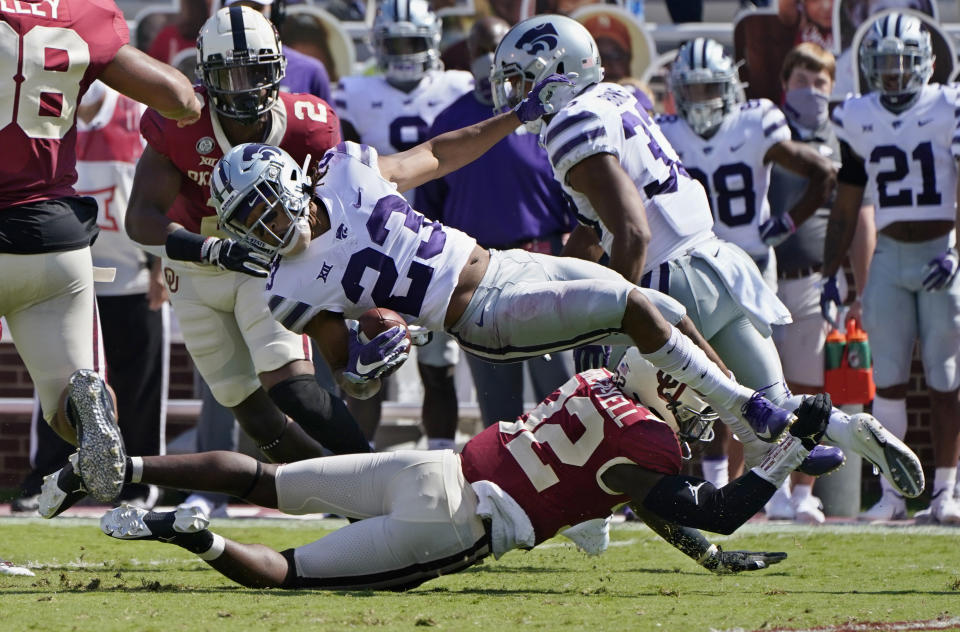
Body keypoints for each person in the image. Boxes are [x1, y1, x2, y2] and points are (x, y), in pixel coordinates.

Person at [204, 76, 923, 511]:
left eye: (268, 203)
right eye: (251, 221)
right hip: (478, 314)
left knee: (663, 311)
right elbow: (346, 375)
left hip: (509, 263)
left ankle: (756, 420)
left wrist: (516, 117)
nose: (269, 224)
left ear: (294, 182)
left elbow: (440, 153)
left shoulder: (349, 170)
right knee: (635, 306)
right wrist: (370, 360)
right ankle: (751, 416)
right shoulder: (287, 285)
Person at [491, 18, 837, 494]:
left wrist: (610, 313)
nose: (516, 93)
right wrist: (552, 285)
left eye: (523, 79)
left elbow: (631, 232)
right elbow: (595, 228)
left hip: (662, 277)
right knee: (752, 400)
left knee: (611, 410)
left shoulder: (571, 124)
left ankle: (593, 508)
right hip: (715, 260)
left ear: (559, 71)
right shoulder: (615, 98)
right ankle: (803, 436)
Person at [92, 373, 841, 590]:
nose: (699, 418)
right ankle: (196, 536)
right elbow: (717, 510)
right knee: (287, 575)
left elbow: (652, 505)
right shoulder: (647, 450)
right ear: (666, 393)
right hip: (455, 522)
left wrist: (707, 561)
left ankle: (127, 471)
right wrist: (790, 450)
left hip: (428, 463)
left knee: (266, 477)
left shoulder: (599, 382)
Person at [122, 8, 368, 472]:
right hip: (194, 269)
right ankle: (336, 493)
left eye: (254, 72)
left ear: (277, 69)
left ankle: (370, 473)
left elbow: (342, 208)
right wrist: (210, 249)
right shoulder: (178, 120)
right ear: (205, 76)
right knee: (251, 413)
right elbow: (140, 218)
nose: (242, 86)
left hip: (264, 263)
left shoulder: (307, 125)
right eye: (228, 74)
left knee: (291, 385)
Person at [0, 0, 200, 513]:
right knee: (68, 389)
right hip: (54, 238)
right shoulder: (81, 12)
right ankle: (83, 406)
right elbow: (180, 98)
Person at [657, 37, 835, 518]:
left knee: (755, 377)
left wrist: (789, 220)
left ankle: (771, 480)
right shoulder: (663, 130)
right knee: (709, 376)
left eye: (711, 89)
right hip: (696, 267)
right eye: (691, 92)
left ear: (731, 87)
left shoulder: (756, 122)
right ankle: (723, 481)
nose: (701, 101)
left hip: (750, 266)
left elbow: (822, 172)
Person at [821, 13, 960, 524]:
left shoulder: (949, 105)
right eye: (885, 64)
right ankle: (894, 494)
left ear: (924, 63)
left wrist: (957, 250)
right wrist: (829, 271)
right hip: (889, 258)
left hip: (940, 253)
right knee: (890, 383)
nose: (896, 73)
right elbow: (847, 199)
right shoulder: (858, 115)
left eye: (904, 63)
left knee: (947, 378)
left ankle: (947, 490)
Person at [15, 81, 171, 512]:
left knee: (139, 387)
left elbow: (164, 191)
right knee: (57, 380)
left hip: (131, 273)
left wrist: (161, 262)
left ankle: (140, 483)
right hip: (66, 274)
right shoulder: (38, 111)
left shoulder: (140, 114)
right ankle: (47, 478)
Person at [415, 16, 575, 427]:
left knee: (561, 399)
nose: (488, 56)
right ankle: (502, 489)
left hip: (544, 265)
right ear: (468, 55)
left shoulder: (550, 115)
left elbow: (576, 195)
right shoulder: (450, 120)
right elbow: (430, 208)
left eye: (498, 45)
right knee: (497, 409)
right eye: (480, 47)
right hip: (478, 274)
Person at [332, 0, 474, 450]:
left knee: (438, 364)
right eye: (395, 42)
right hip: (374, 244)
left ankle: (441, 459)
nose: (404, 51)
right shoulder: (352, 92)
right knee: (368, 361)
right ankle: (356, 464)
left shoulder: (458, 87)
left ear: (433, 37)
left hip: (434, 240)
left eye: (413, 40)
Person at [767, 43, 876, 523]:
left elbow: (859, 217)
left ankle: (801, 490)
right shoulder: (768, 129)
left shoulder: (843, 136)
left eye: (821, 82)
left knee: (810, 389)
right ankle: (767, 485)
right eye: (802, 80)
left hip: (816, 278)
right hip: (764, 274)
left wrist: (861, 287)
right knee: (764, 385)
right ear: (785, 82)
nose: (811, 90)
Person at [223, 0, 332, 102]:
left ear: (276, 13)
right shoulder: (211, 73)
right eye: (239, 11)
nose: (247, 18)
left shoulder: (311, 71)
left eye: (256, 9)